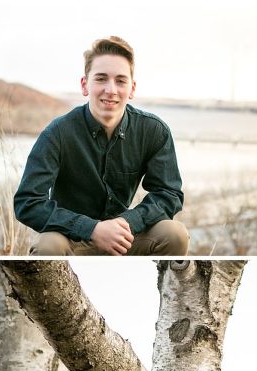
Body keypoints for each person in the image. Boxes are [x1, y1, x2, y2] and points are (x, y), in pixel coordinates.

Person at [14, 36, 189, 256]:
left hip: (125, 236)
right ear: (85, 85)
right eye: (101, 79)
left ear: (132, 89)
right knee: (48, 246)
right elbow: (28, 202)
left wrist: (127, 223)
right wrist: (92, 229)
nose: (111, 89)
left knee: (174, 234)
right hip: (72, 240)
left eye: (120, 81)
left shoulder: (154, 131)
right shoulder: (57, 133)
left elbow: (169, 194)